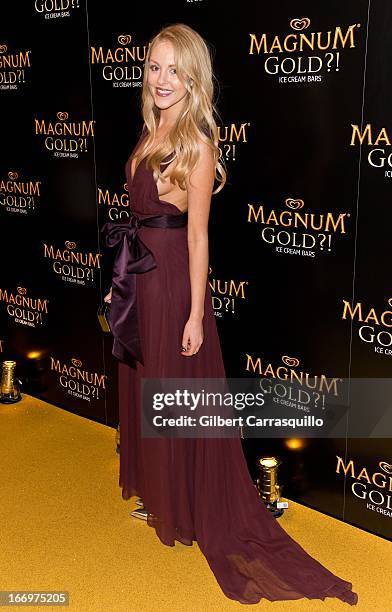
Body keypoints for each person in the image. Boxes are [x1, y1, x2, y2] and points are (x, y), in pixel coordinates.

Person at [101, 23, 358, 606]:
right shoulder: (150, 127)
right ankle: (162, 497)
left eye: (173, 69)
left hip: (169, 284)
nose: (161, 79)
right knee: (148, 391)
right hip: (138, 274)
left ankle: (188, 510)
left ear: (193, 76)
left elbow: (197, 239)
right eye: (153, 67)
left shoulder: (197, 140)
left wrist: (195, 315)